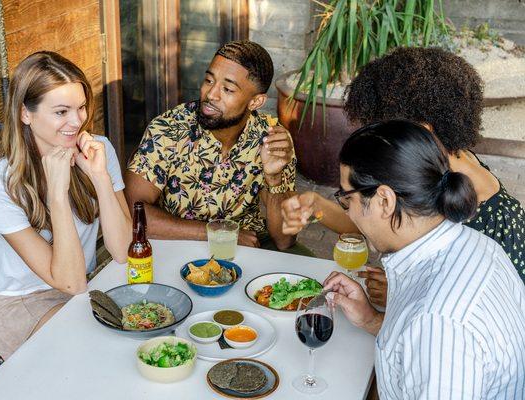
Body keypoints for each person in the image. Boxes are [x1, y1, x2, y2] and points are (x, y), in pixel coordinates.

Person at [282, 47, 525, 305]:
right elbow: (374, 217)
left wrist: (405, 291)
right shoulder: (442, 166)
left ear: (422, 132)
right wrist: (318, 206)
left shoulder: (491, 230)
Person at [323, 120, 525, 399]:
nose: (348, 214)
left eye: (347, 199)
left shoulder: (438, 323)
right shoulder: (481, 246)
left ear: (384, 200)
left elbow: (436, 338)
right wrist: (372, 320)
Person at [0, 51, 131, 359]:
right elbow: (70, 281)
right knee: (92, 354)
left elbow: (124, 251)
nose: (77, 121)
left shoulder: (98, 150)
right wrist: (57, 196)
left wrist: (99, 178)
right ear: (25, 113)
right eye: (61, 112)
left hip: (78, 288)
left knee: (137, 336)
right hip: (20, 300)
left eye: (81, 107)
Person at [125, 40, 306, 253]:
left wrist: (274, 179)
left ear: (255, 102)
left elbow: (285, 240)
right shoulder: (169, 130)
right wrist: (218, 234)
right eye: (209, 80)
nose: (211, 94)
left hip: (249, 244)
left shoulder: (271, 139)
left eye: (227, 89)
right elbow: (132, 214)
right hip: (178, 241)